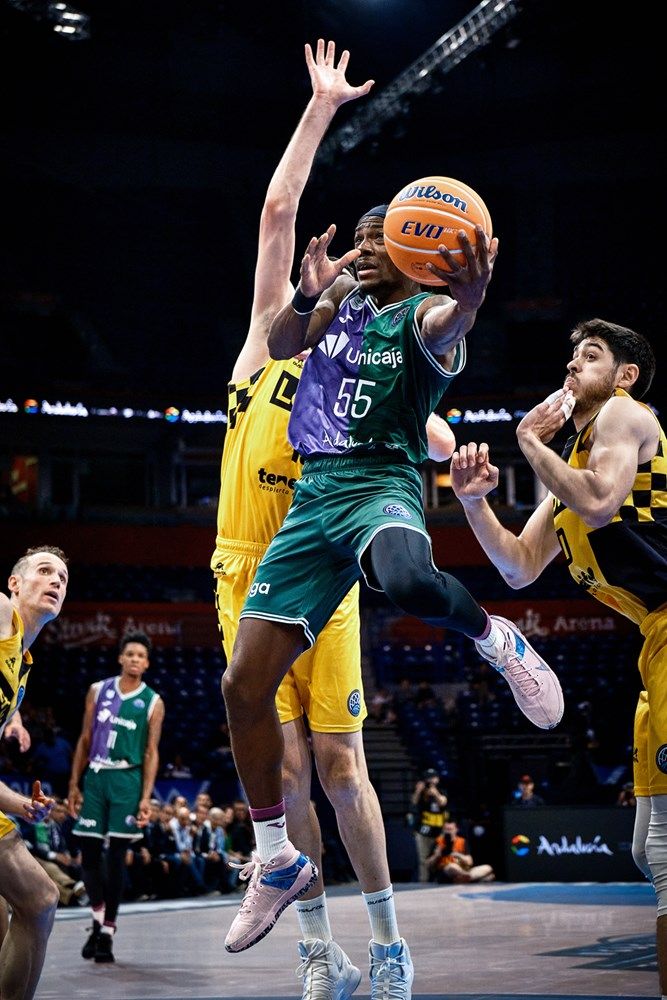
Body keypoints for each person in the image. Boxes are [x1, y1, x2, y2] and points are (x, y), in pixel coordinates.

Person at [221, 74, 565, 976]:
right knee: (237, 690)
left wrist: (476, 297)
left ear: (413, 255)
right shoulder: (322, 312)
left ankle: (496, 638)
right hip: (308, 505)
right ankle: (274, 857)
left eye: (386, 238)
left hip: (377, 483)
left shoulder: (417, 316)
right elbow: (286, 338)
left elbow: (453, 325)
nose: (369, 248)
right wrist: (310, 294)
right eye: (367, 236)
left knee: (408, 585)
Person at [212, 39, 431, 997]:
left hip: (324, 574)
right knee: (285, 765)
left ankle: (387, 946)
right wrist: (320, 109)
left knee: (341, 763)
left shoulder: (366, 378)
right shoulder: (265, 349)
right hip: (238, 570)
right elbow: (274, 213)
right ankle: (318, 951)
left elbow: (407, 440)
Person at [449, 317, 666, 997]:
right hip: (650, 643)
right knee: (647, 849)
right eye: (570, 355)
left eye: (590, 356)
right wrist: (472, 502)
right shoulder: (571, 458)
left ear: (624, 374)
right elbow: (516, 567)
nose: (572, 365)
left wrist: (523, 441)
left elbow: (601, 504)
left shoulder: (625, 417)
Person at [67, 630, 165, 964]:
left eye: (141, 655)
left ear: (147, 663)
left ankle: (107, 931)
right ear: (121, 658)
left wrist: (146, 797)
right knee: (90, 855)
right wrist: (73, 784)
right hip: (95, 775)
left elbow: (152, 752)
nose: (135, 659)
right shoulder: (98, 690)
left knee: (115, 857)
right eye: (130, 654)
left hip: (128, 777)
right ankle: (97, 919)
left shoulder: (152, 701)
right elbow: (84, 738)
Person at [0, 544, 69, 1000]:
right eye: (44, 571)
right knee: (40, 898)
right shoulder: (1, 612)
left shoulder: (21, 670)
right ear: (15, 584)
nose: (55, 582)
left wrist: (22, 804)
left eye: (62, 579)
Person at [409, 769, 449, 882]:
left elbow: (443, 802)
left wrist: (435, 792)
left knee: (439, 856)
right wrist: (418, 790)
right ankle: (424, 881)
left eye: (433, 778)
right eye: (428, 778)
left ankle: (439, 879)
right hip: (423, 830)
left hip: (439, 830)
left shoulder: (442, 790)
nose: (431, 780)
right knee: (423, 859)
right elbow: (414, 802)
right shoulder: (422, 792)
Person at [427, 819, 495, 884]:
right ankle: (473, 878)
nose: (448, 832)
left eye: (450, 829)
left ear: (456, 830)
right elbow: (429, 864)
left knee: (487, 867)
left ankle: (465, 878)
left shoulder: (462, 841)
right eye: (446, 829)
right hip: (445, 870)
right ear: (443, 830)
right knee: (452, 867)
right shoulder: (438, 841)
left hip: (462, 866)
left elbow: (470, 862)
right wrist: (436, 855)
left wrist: (456, 854)